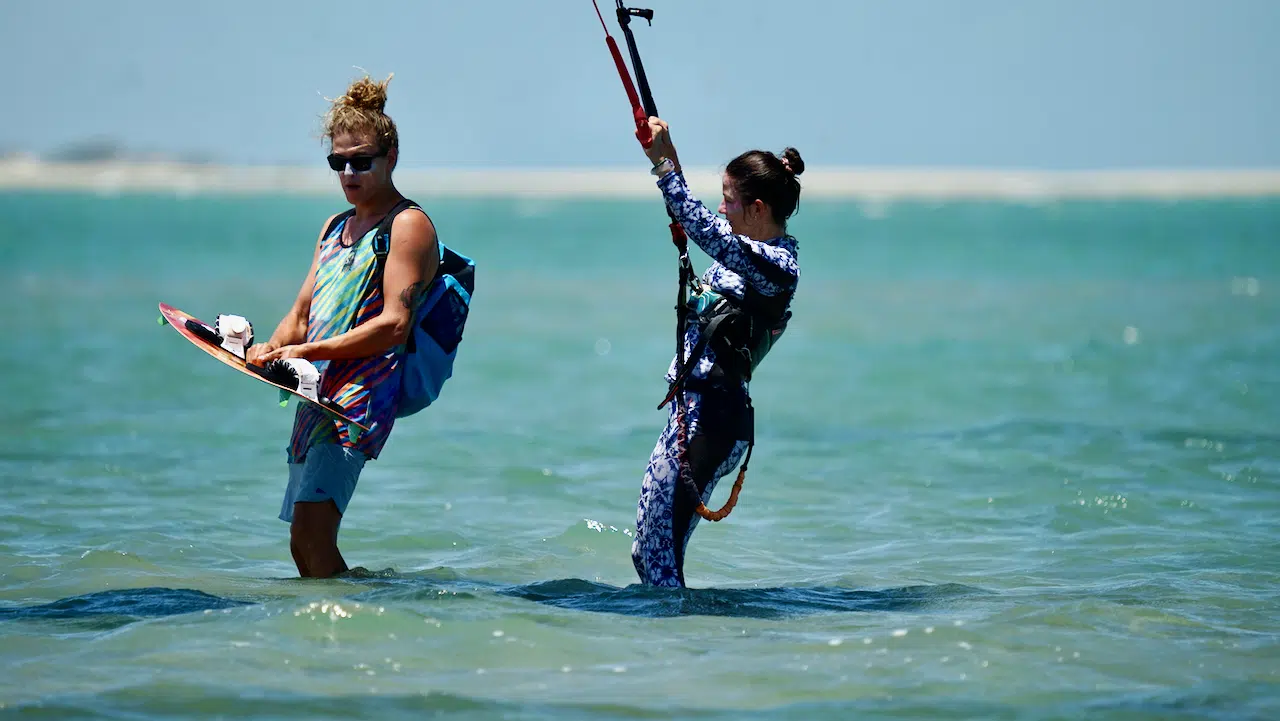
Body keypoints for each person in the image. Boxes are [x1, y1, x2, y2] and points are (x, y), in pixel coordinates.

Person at [245, 73, 439, 578]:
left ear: (391, 156)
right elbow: (302, 315)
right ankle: (345, 625)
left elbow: (394, 325)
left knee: (314, 533)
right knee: (300, 543)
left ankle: (361, 624)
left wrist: (305, 354)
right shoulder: (335, 226)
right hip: (316, 394)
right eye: (338, 162)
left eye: (361, 161)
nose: (348, 172)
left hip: (357, 401)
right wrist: (272, 347)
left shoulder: (407, 224)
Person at [630, 116, 804, 588]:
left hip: (714, 420)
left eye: (729, 200)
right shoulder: (746, 247)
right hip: (695, 413)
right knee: (648, 553)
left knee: (657, 557)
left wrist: (664, 170)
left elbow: (708, 230)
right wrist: (664, 152)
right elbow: (707, 225)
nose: (722, 209)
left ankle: (673, 646)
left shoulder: (776, 267)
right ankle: (684, 641)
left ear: (758, 209)